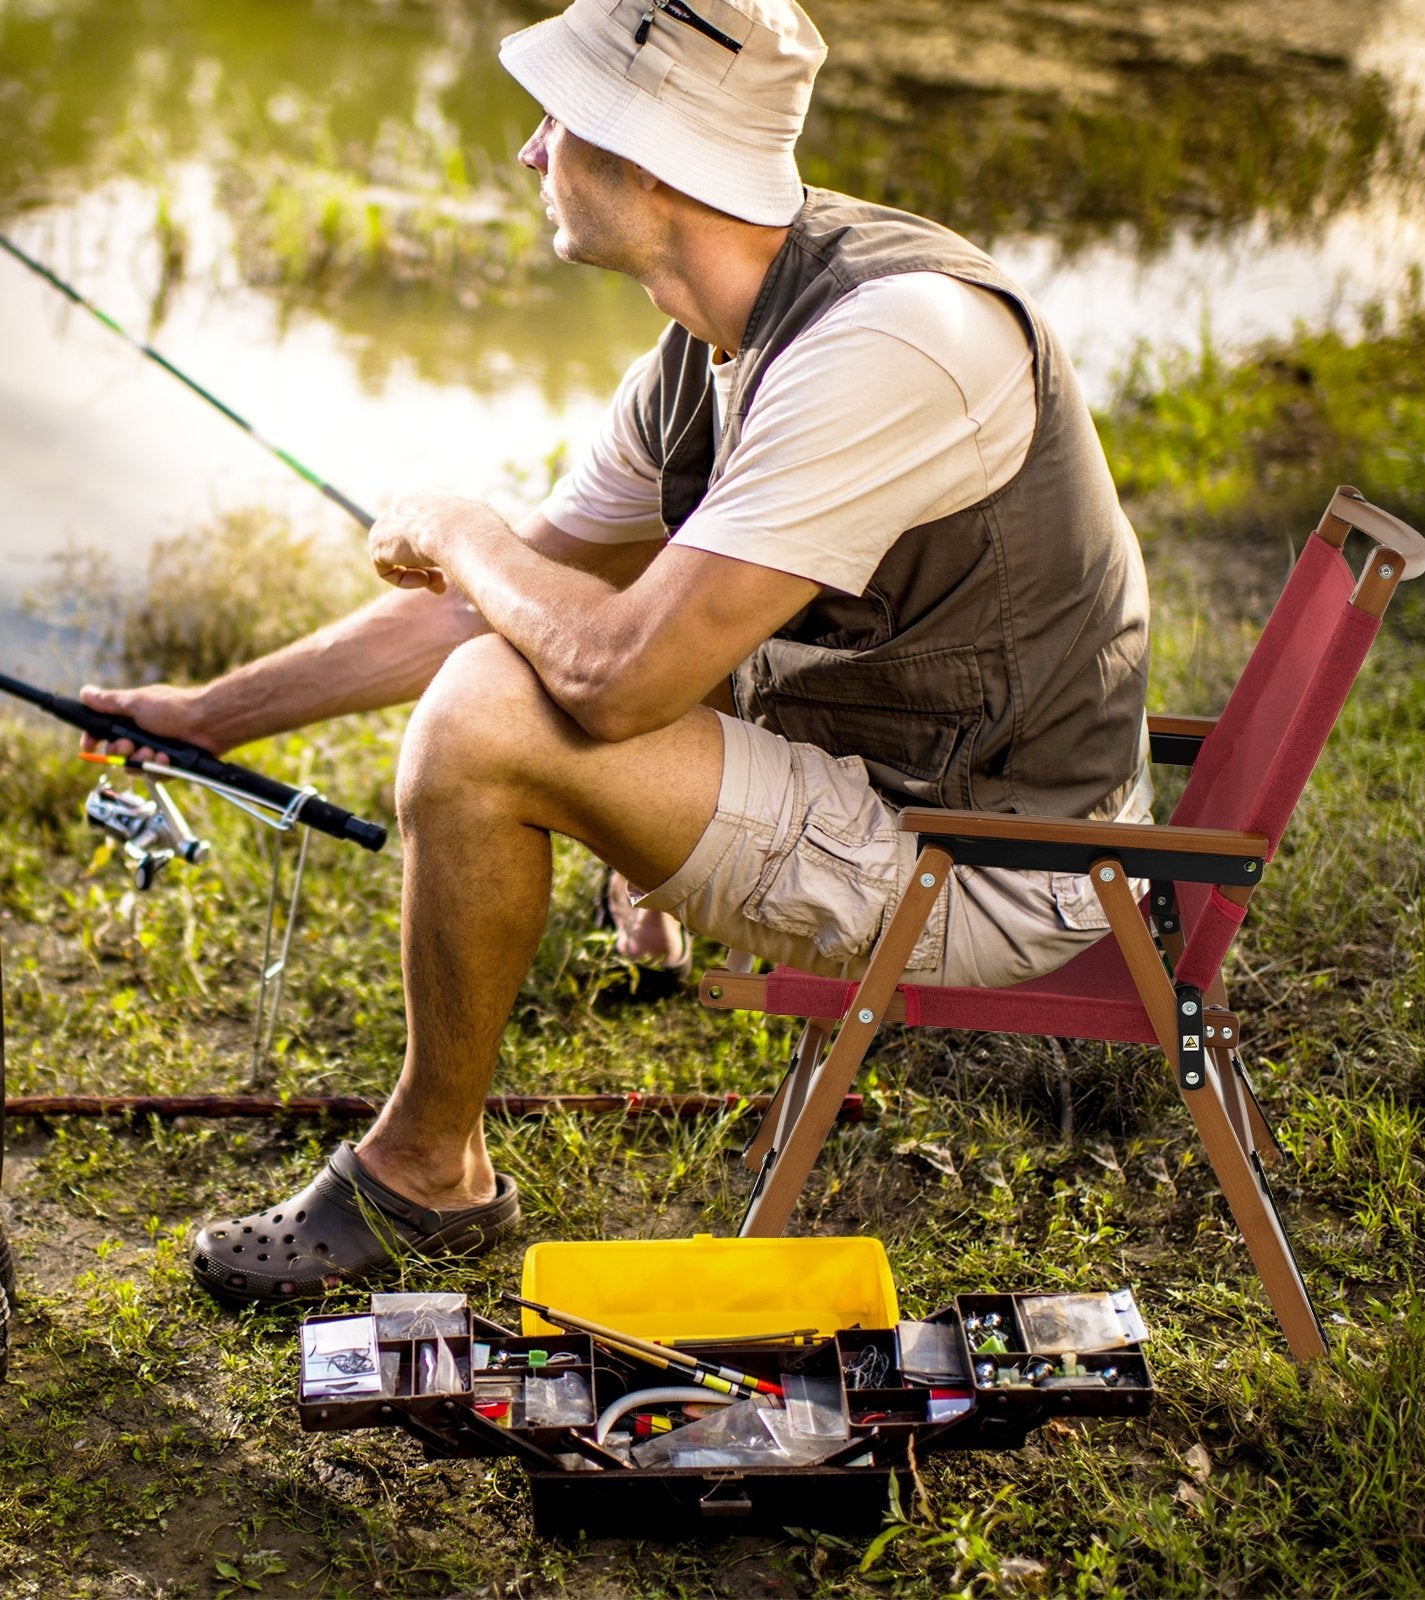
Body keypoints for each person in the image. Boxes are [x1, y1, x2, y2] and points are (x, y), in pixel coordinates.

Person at [82, 0, 1152, 1308]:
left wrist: (468, 534)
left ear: (652, 165)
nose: (531, 154)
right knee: (524, 652)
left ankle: (426, 1179)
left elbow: (612, 672)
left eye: (562, 124)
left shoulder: (891, 346)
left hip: (998, 862)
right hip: (908, 790)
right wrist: (207, 719)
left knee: (487, 723)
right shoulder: (719, 330)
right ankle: (450, 1142)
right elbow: (510, 606)